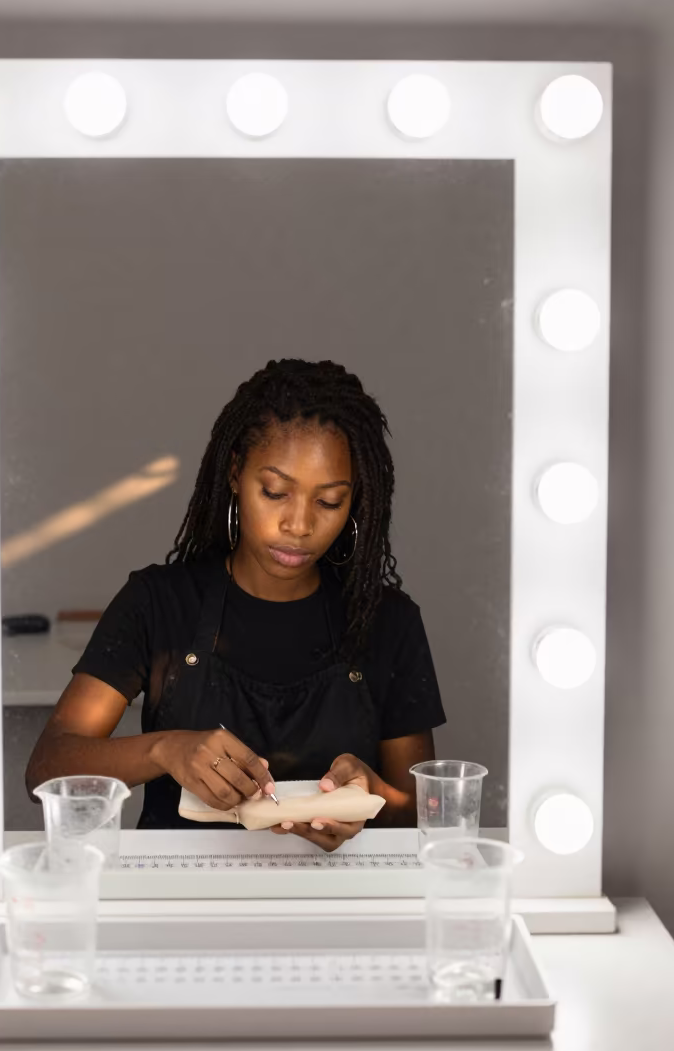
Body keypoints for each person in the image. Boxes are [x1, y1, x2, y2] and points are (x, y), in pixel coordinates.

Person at [25, 359, 446, 852]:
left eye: (329, 501)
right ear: (233, 475)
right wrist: (165, 749)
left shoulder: (386, 621)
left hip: (342, 900)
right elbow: (47, 768)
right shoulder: (159, 603)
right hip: (178, 900)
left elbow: (427, 810)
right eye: (274, 492)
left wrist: (373, 796)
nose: (299, 523)